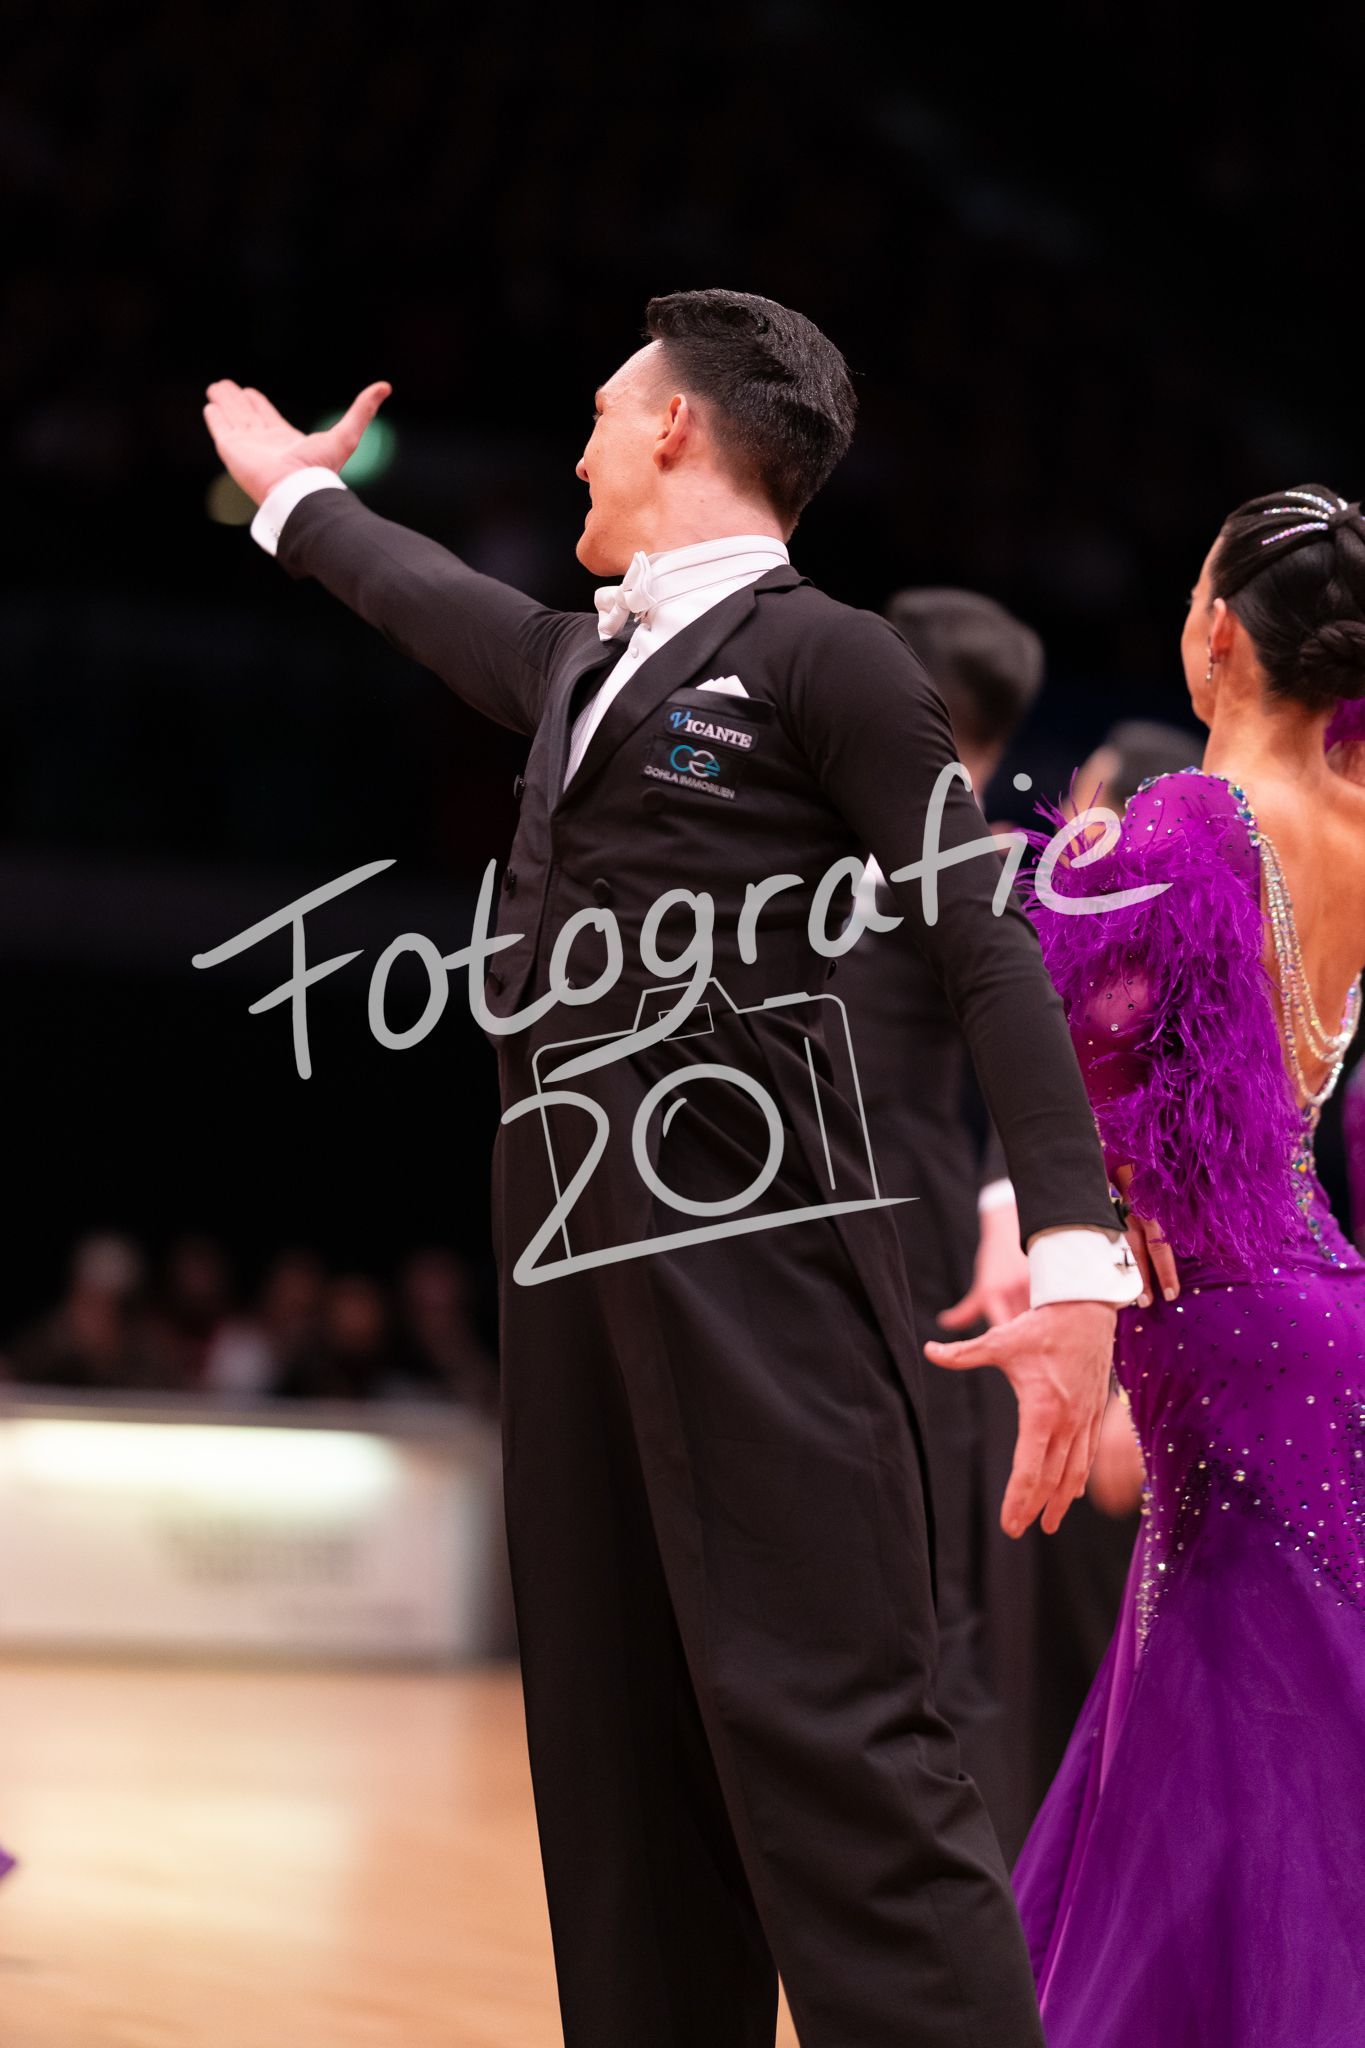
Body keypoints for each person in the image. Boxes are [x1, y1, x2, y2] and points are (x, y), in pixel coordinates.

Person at [202, 289, 1138, 2048]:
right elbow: (431, 600)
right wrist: (296, 497)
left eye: (597, 411)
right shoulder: (580, 661)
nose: (573, 449)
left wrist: (1077, 1261)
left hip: (766, 1290)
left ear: (672, 427)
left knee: (843, 1772)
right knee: (620, 1795)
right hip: (571, 1286)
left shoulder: (830, 659)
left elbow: (986, 948)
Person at [984, 485, 1365, 2046]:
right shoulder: (1352, 819)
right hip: (1313, 1293)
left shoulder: (1187, 827)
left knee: (1252, 1763)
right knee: (1265, 1742)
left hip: (1224, 1330)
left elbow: (1079, 1070)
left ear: (1215, 634)